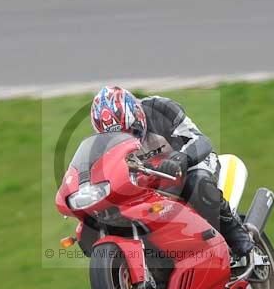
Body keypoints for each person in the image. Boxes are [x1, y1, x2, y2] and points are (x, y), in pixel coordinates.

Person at [90, 86, 254, 259]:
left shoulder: (161, 109)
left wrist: (181, 159)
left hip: (189, 163)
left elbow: (200, 140)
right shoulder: (101, 146)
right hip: (150, 182)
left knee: (197, 183)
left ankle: (239, 238)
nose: (128, 138)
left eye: (130, 130)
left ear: (137, 115)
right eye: (118, 137)